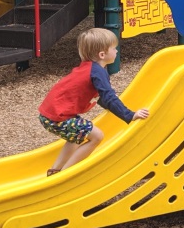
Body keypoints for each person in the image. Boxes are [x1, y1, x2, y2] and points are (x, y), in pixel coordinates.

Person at [38, 28, 149, 176]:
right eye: (114, 48)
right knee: (97, 136)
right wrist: (130, 115)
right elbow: (108, 97)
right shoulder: (97, 71)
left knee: (76, 136)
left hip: (49, 115)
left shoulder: (89, 68)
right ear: (102, 54)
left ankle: (55, 171)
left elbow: (103, 99)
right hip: (58, 116)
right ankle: (65, 175)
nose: (116, 51)